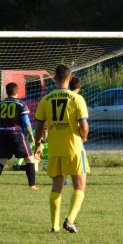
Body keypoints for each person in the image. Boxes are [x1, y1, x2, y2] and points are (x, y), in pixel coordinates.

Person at [34, 64, 89, 233]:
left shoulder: (45, 100)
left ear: (55, 79)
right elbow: (84, 126)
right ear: (70, 78)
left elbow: (39, 126)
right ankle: (70, 220)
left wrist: (38, 144)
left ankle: (54, 225)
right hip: (74, 148)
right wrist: (84, 136)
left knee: (56, 187)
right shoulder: (77, 99)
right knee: (79, 187)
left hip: (55, 149)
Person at [0, 82, 39, 189]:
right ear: (17, 91)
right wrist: (31, 134)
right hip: (16, 134)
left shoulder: (1, 104)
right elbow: (26, 122)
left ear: (7, 92)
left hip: (2, 134)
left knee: (2, 160)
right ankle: (32, 185)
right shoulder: (21, 104)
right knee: (30, 159)